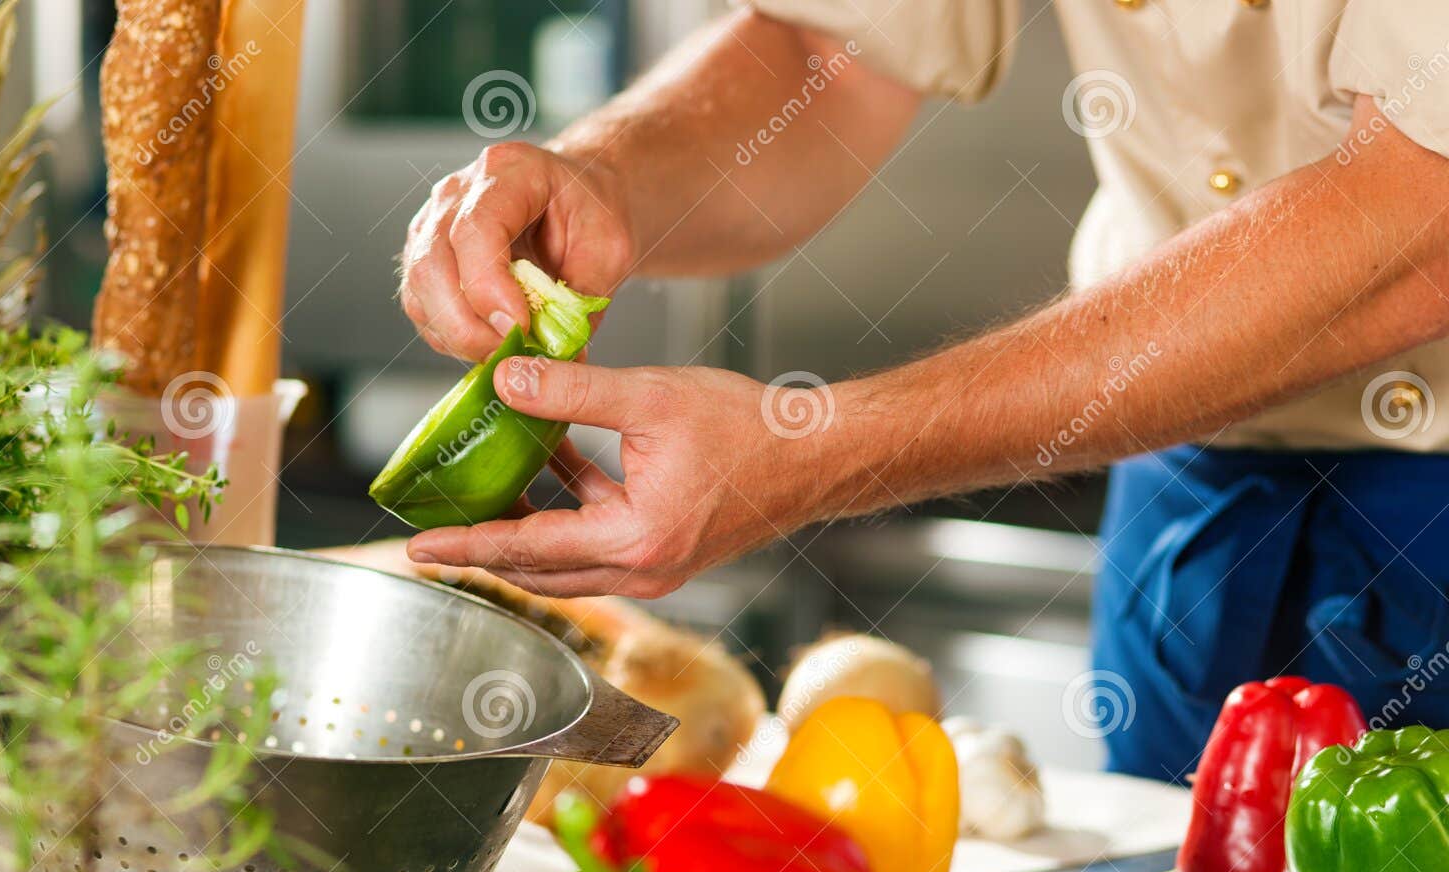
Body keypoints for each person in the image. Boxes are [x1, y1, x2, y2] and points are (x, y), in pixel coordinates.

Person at [396, 1, 1449, 781]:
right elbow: (834, 53)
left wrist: (815, 448)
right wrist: (604, 176)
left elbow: (1420, 218)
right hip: (1183, 473)